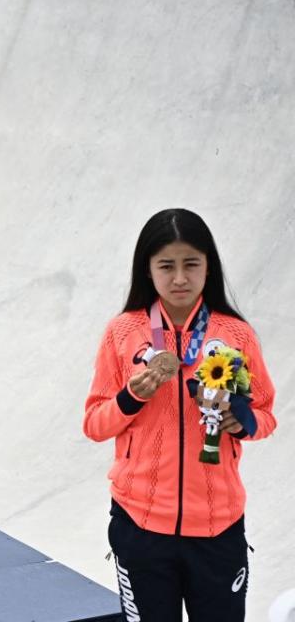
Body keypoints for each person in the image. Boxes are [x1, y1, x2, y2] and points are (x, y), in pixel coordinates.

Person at [83, 209, 276, 621]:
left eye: (192, 264)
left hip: (217, 528)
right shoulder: (123, 332)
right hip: (141, 527)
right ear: (147, 270)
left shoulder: (235, 335)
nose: (180, 278)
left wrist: (243, 421)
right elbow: (94, 424)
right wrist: (130, 398)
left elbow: (265, 414)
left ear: (209, 267)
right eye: (166, 266)